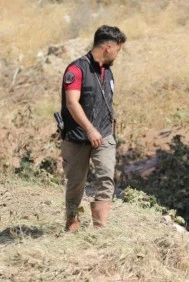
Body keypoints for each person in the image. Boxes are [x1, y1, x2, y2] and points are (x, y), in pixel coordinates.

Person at [59, 25, 126, 231]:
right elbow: (72, 102)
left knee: (106, 176)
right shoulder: (76, 69)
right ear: (108, 47)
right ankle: (72, 223)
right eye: (118, 49)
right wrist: (89, 129)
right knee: (76, 183)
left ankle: (99, 229)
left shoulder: (108, 72)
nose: (118, 54)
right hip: (77, 136)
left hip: (104, 135)